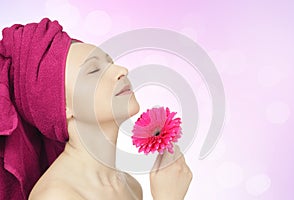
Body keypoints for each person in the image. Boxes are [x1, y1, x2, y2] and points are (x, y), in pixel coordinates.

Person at [0, 18, 192, 200]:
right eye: (93, 71)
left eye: (110, 62)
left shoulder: (131, 187)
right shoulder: (55, 196)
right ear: (62, 107)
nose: (121, 71)